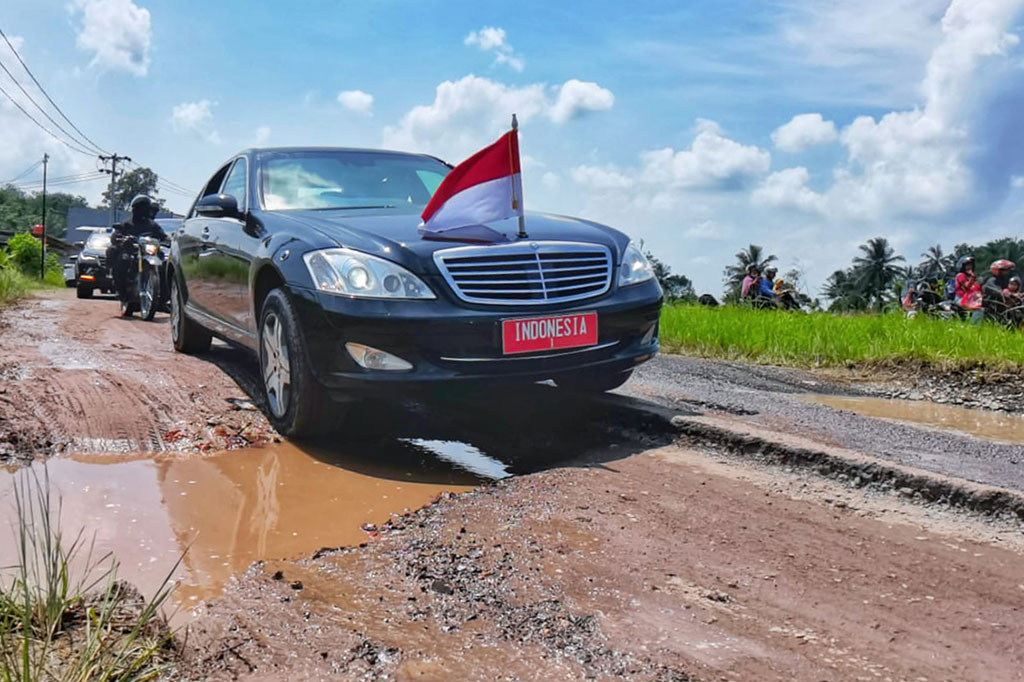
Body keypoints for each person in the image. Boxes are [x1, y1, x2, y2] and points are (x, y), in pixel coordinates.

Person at [108, 195, 168, 304]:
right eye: (141, 208)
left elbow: (163, 236)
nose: (144, 211)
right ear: (135, 209)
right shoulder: (126, 224)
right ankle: (121, 292)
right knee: (122, 261)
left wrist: (168, 240)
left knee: (164, 267)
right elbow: (116, 236)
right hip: (132, 252)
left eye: (146, 208)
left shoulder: (152, 225)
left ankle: (163, 299)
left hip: (148, 253)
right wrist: (121, 240)